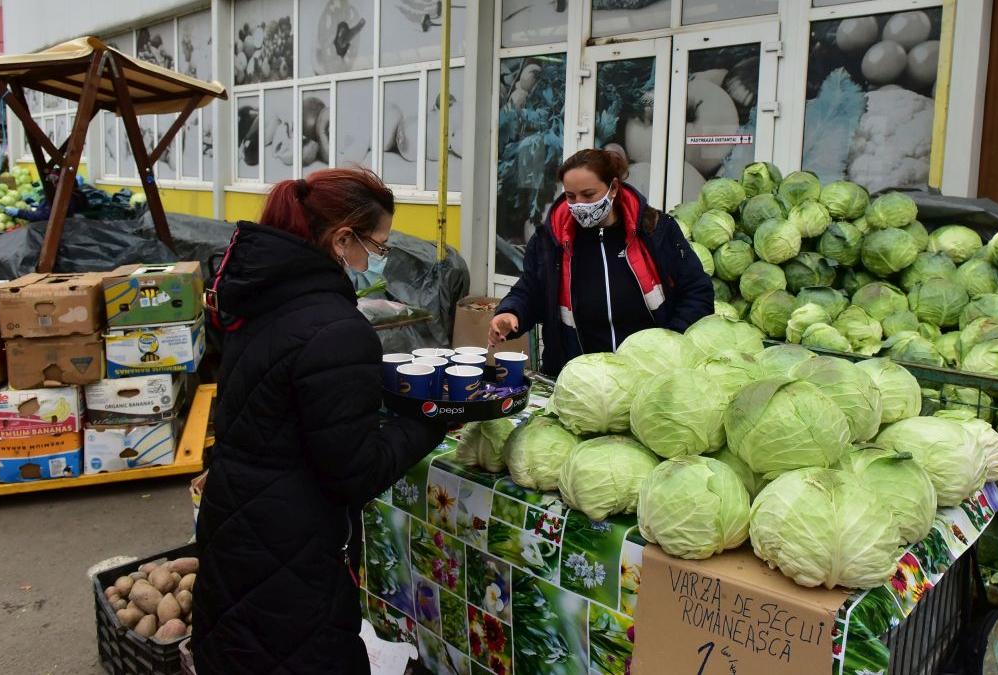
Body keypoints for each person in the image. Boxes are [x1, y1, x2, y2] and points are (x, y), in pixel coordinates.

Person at [191, 167, 447, 674]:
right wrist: (431, 417)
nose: (375, 261)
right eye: (377, 247)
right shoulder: (336, 329)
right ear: (341, 238)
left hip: (235, 527)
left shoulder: (253, 297)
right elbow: (355, 471)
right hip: (293, 549)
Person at [489, 149, 713, 376]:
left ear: (613, 188)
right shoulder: (550, 240)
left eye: (588, 195)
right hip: (580, 380)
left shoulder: (656, 230)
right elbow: (531, 289)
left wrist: (671, 344)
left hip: (650, 375)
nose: (579, 205)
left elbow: (697, 291)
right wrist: (511, 312)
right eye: (570, 196)